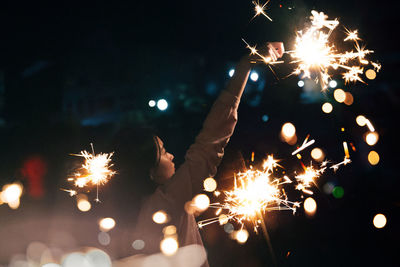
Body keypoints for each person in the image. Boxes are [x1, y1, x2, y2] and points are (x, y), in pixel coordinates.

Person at [113, 42, 284, 266]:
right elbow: (209, 144)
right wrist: (246, 64)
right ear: (150, 172)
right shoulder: (166, 202)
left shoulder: (132, 215)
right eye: (163, 153)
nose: (172, 156)